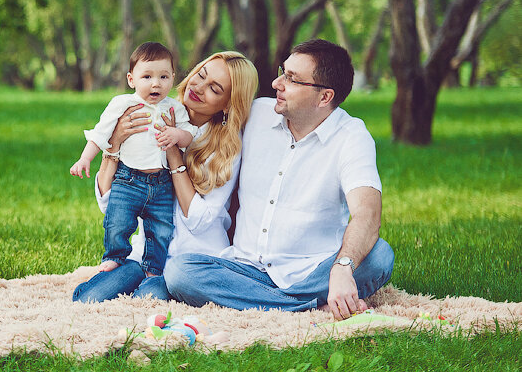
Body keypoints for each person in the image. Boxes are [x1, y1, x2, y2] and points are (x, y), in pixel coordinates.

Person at [163, 39, 395, 320]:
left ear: (324, 97)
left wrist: (343, 267)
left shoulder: (351, 137)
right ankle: (304, 308)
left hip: (312, 272)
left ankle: (273, 302)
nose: (276, 83)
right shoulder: (257, 114)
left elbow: (367, 214)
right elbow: (208, 119)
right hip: (242, 268)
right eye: (282, 71)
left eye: (292, 79)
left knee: (379, 255)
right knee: (180, 272)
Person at [72, 51, 259, 302]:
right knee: (89, 298)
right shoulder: (154, 111)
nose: (199, 87)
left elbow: (199, 222)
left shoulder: (225, 148)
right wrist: (114, 144)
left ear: (228, 103)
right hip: (146, 254)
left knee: (148, 300)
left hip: (190, 261)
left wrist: (173, 153)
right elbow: (109, 204)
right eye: (200, 75)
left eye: (214, 88)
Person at [70, 42, 199, 277]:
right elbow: (100, 134)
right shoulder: (122, 104)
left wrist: (176, 135)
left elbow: (189, 136)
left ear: (172, 78)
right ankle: (114, 257)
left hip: (161, 183)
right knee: (117, 221)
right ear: (131, 80)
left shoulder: (174, 108)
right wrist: (84, 159)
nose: (155, 83)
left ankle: (152, 268)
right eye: (147, 76)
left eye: (163, 76)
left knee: (160, 228)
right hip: (127, 179)